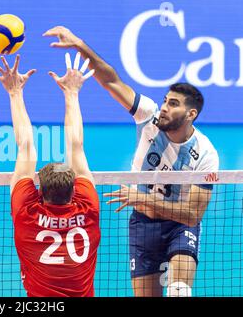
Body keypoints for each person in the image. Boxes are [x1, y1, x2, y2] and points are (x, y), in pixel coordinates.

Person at [43, 26, 219, 297]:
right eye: (165, 101)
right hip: (143, 224)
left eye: (173, 104)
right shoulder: (148, 117)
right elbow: (111, 80)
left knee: (179, 290)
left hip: (179, 226)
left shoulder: (206, 154)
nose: (164, 107)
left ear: (190, 114)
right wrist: (80, 44)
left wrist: (143, 199)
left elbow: (193, 215)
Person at [0, 53, 100, 297]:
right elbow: (76, 147)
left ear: (39, 192)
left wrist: (14, 92)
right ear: (74, 191)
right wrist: (72, 93)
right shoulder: (88, 209)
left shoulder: (26, 214)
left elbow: (25, 147)